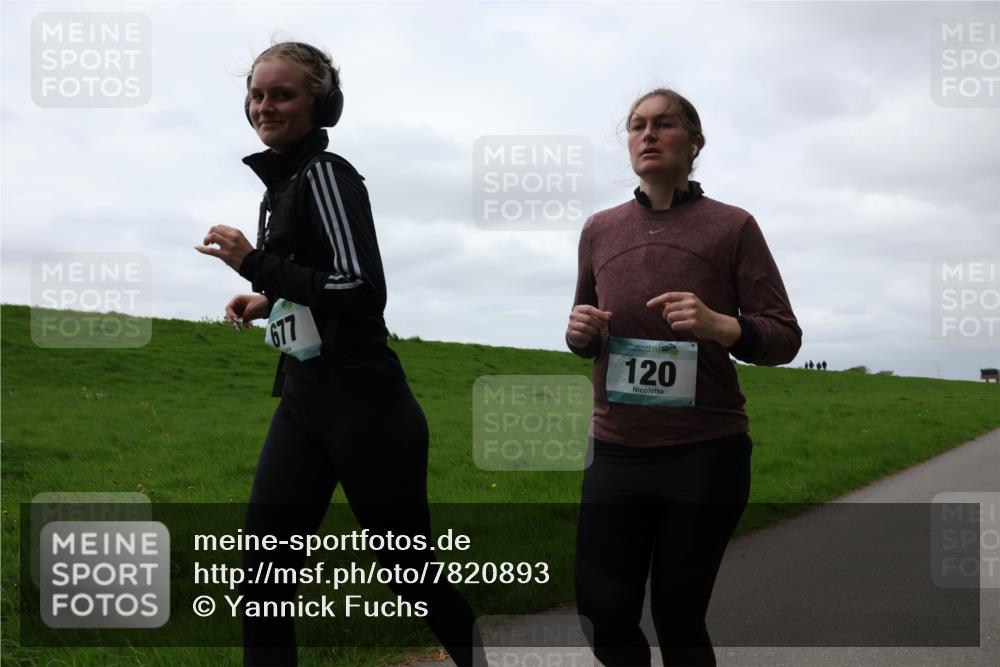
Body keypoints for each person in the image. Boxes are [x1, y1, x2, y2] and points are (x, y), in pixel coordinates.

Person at [196, 41, 483, 667]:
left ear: (321, 104)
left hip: (365, 406)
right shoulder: (280, 188)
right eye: (256, 95)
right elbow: (315, 288)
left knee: (408, 572)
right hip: (303, 401)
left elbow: (361, 288)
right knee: (262, 579)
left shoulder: (327, 174)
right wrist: (266, 300)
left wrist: (255, 264)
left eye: (283, 94)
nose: (264, 106)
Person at [566, 88, 801, 666]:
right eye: (637, 125)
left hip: (705, 453)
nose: (647, 134)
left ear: (694, 141)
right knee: (602, 611)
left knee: (677, 614)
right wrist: (579, 334)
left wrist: (723, 326)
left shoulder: (733, 226)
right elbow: (586, 333)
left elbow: (783, 336)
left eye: (665, 124)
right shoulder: (600, 229)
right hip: (616, 451)